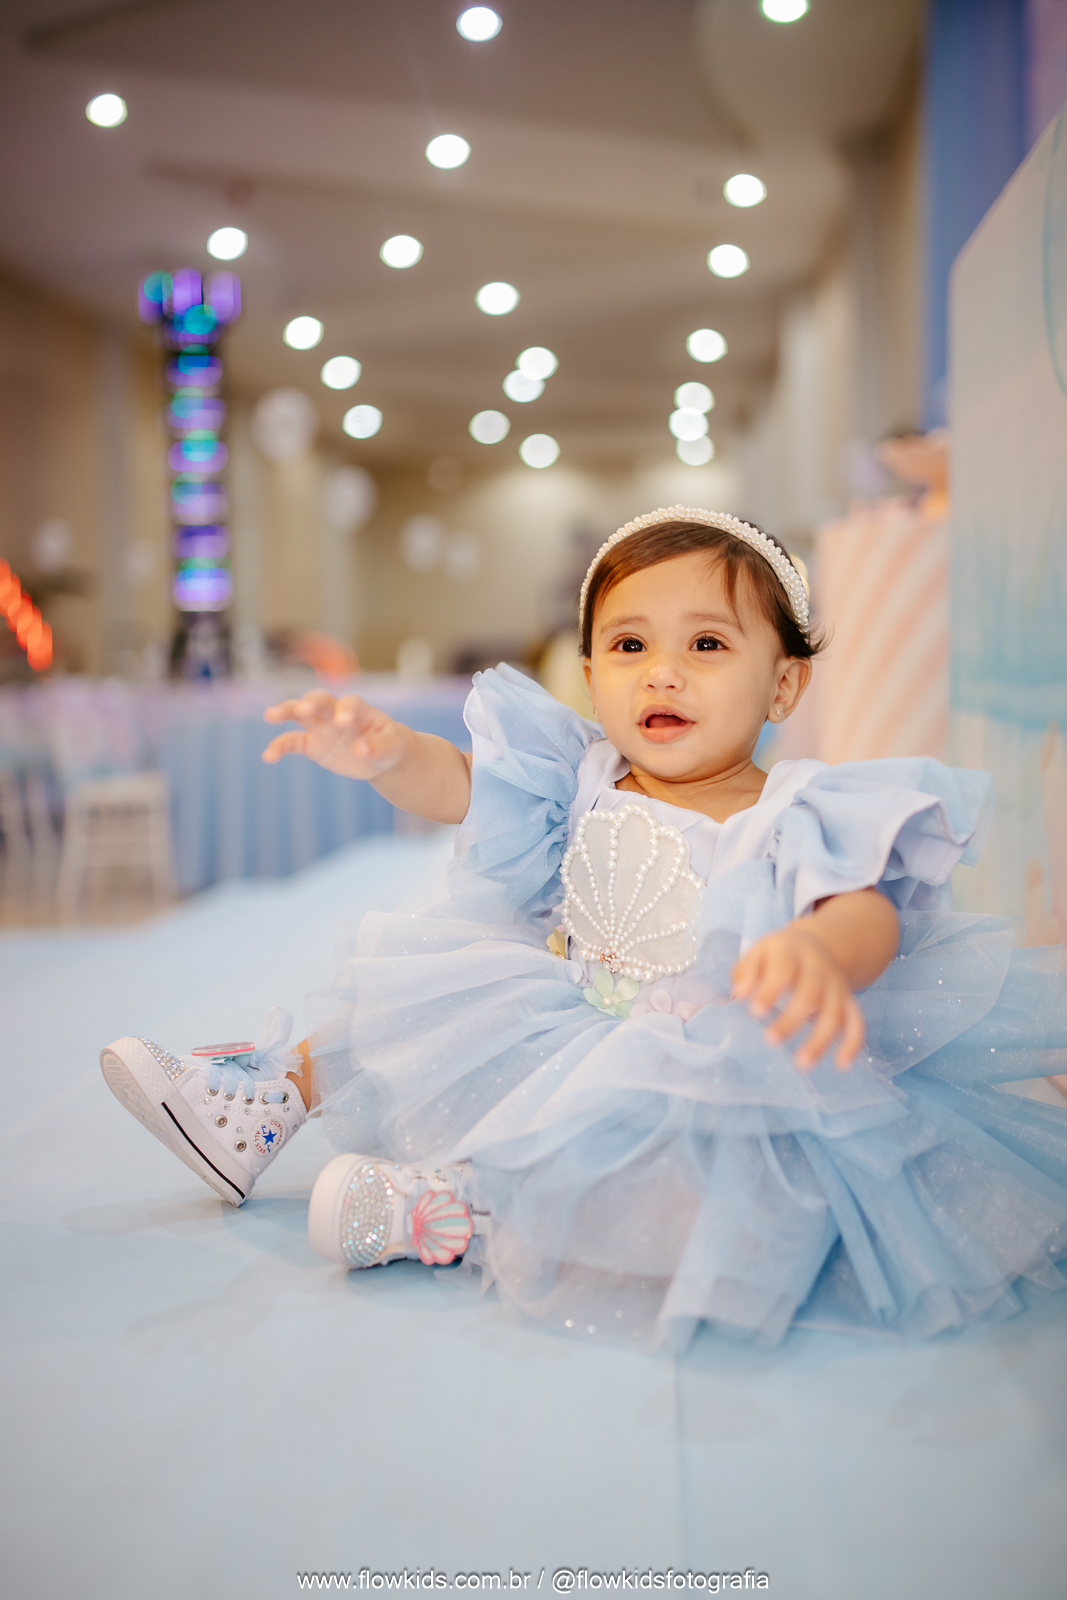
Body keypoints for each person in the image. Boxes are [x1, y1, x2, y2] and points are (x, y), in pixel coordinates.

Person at [100, 507, 1067, 1350]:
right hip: (565, 1016)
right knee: (426, 992)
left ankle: (462, 1210)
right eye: (630, 646)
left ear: (783, 685)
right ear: (591, 670)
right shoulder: (579, 775)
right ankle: (263, 1107)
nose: (663, 674)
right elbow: (460, 784)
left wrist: (821, 951)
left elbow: (861, 906)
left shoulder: (793, 812)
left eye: (707, 645)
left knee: (688, 1184)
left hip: (709, 1064)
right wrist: (389, 755)